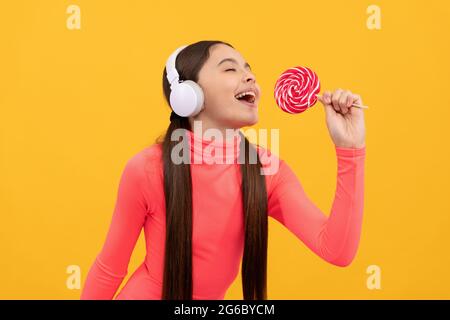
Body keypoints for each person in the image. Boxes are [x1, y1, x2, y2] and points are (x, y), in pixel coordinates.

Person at [80, 40, 366, 300]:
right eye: (230, 69)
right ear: (188, 95)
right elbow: (110, 268)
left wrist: (350, 149)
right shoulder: (147, 169)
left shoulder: (268, 171)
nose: (250, 77)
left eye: (249, 69)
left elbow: (337, 251)